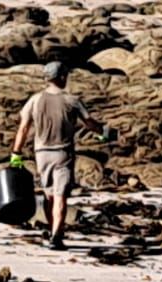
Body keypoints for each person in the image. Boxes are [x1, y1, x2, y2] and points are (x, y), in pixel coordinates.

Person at [10, 62, 108, 249]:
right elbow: (91, 124)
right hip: (63, 153)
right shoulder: (72, 100)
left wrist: (16, 153)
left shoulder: (35, 100)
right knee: (61, 195)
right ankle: (56, 236)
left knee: (49, 196)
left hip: (41, 154)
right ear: (63, 77)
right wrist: (104, 132)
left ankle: (51, 229)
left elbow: (23, 128)